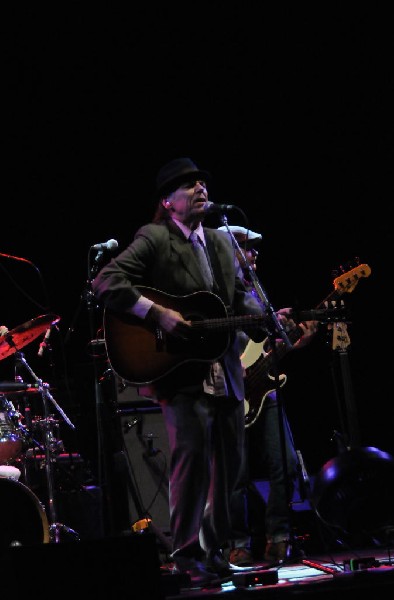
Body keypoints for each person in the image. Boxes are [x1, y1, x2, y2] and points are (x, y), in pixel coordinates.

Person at [91, 157, 300, 588]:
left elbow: (237, 300)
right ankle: (187, 552)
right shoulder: (155, 238)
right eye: (187, 185)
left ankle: (215, 550)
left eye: (201, 182)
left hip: (224, 368)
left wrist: (265, 316)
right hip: (180, 373)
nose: (199, 187)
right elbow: (107, 281)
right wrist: (160, 315)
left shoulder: (223, 244)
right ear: (168, 202)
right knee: (192, 461)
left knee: (230, 465)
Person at [217, 225, 317, 568]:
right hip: (230, 389)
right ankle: (239, 542)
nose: (254, 253)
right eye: (246, 246)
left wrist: (293, 342)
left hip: (265, 388)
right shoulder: (215, 289)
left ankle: (279, 537)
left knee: (286, 465)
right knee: (236, 475)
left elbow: (265, 346)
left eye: (254, 248)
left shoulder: (256, 290)